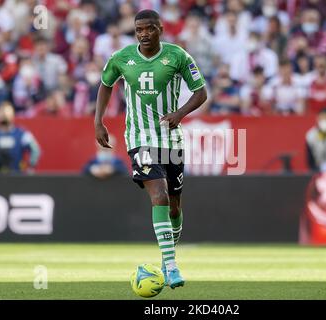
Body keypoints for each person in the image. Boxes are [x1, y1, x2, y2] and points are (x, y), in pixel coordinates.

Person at [94, 10, 207, 289]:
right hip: (139, 138)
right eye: (138, 30)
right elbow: (106, 85)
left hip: (171, 139)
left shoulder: (177, 56)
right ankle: (170, 266)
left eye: (148, 29)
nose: (143, 34)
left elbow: (201, 92)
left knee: (175, 206)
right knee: (159, 195)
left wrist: (179, 114)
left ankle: (168, 255)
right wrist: (98, 120)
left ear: (160, 29)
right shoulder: (121, 58)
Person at [0, 102, 41, 174]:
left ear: (13, 114)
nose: (4, 114)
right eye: (1, 112)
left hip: (17, 177)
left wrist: (30, 167)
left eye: (7, 112)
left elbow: (35, 150)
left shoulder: (22, 134)